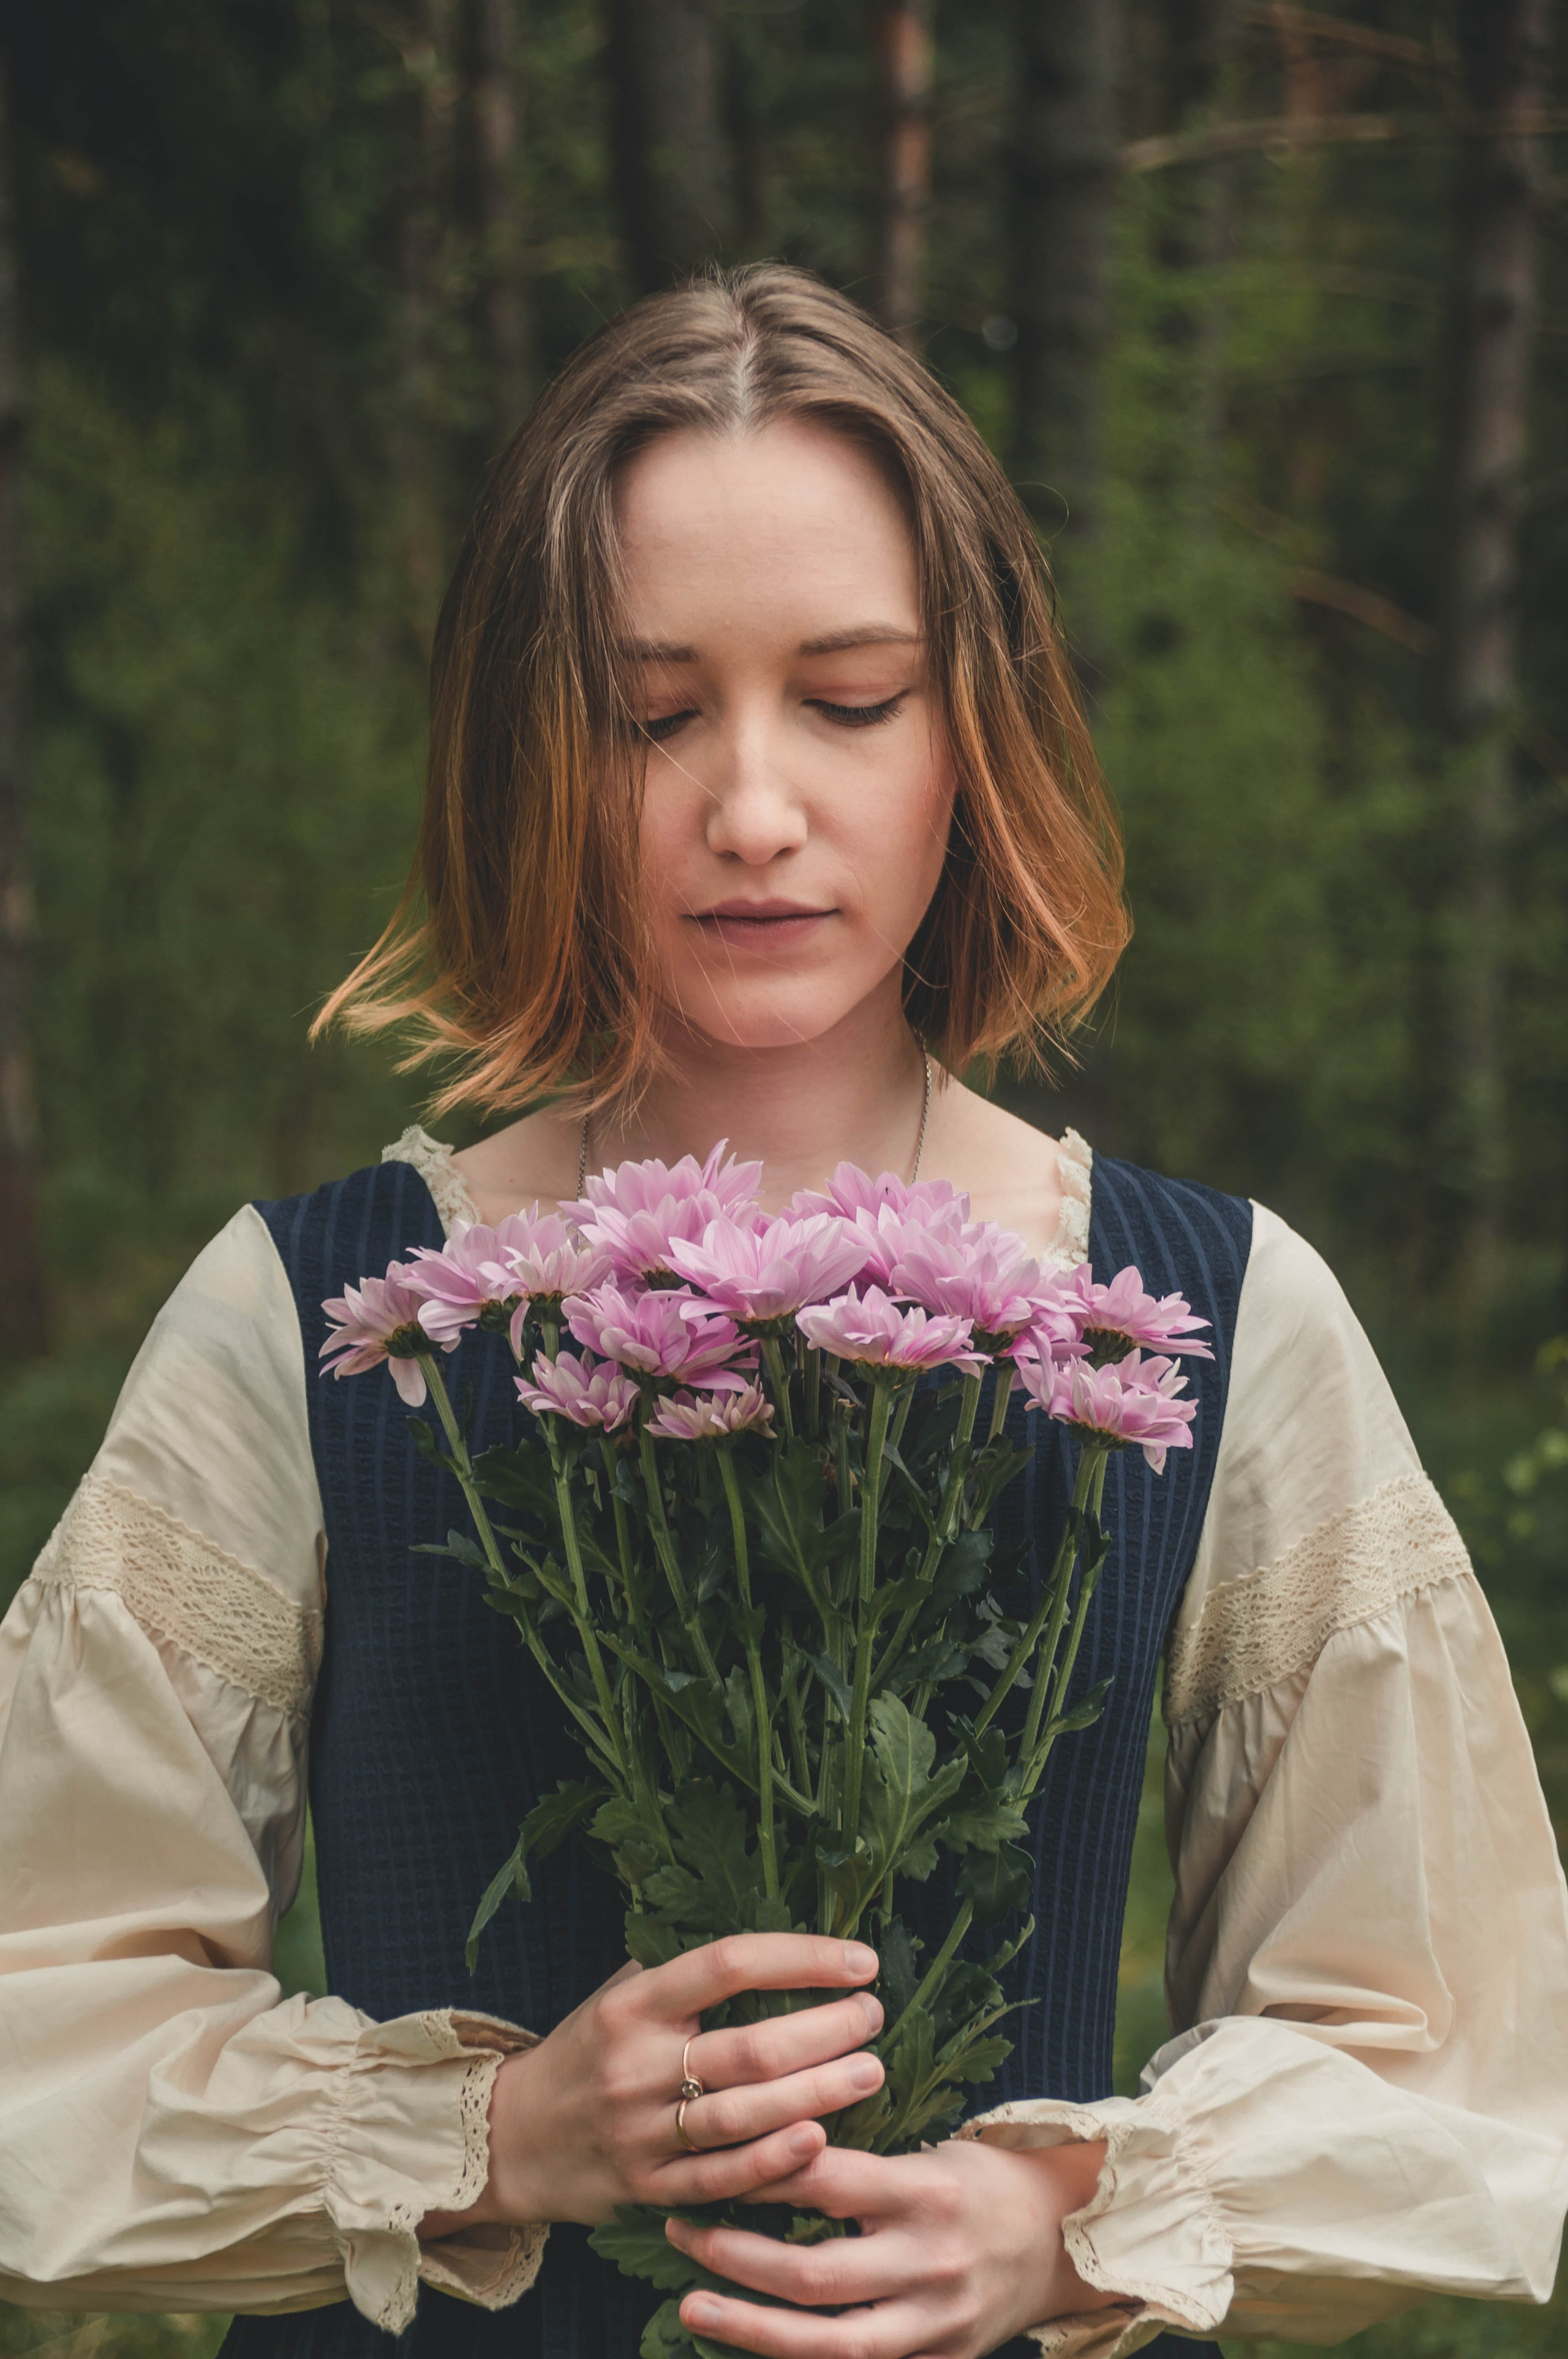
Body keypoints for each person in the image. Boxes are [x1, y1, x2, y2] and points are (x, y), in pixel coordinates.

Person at [1, 266, 1564, 2359]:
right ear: (535, 747)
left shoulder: (1213, 1314)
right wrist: (491, 2133)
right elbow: (43, 2015)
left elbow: (1453, 2051)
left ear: (972, 727)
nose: (751, 806)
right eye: (654, 713)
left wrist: (1054, 2225)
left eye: (849, 697)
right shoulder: (304, 1319)